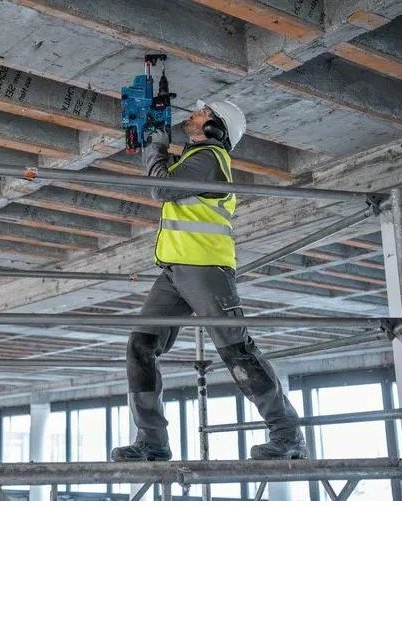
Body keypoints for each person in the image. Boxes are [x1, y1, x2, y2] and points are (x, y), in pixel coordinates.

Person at [110, 97, 308, 462]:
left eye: (203, 112)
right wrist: (155, 142)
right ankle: (152, 440)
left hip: (205, 268)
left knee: (236, 349)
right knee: (140, 344)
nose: (194, 113)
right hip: (175, 271)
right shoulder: (193, 159)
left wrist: (155, 148)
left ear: (217, 128)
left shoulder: (211, 159)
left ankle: (287, 434)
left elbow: (160, 188)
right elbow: (167, 179)